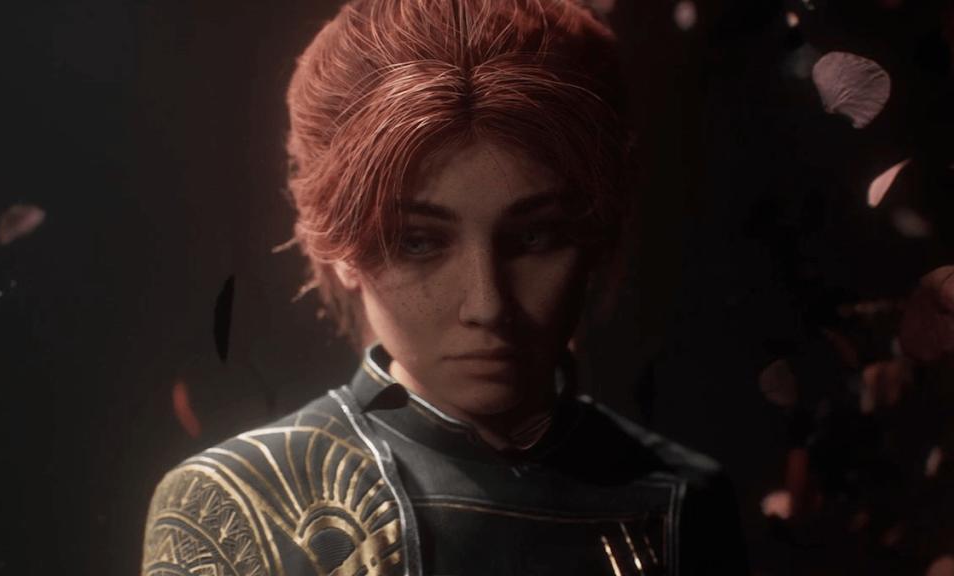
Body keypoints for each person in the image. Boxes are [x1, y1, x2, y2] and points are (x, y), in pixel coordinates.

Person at [141, 1, 748, 574]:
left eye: (534, 237)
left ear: (594, 239)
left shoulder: (683, 502)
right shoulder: (237, 499)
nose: (488, 305)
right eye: (418, 242)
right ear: (343, 248)